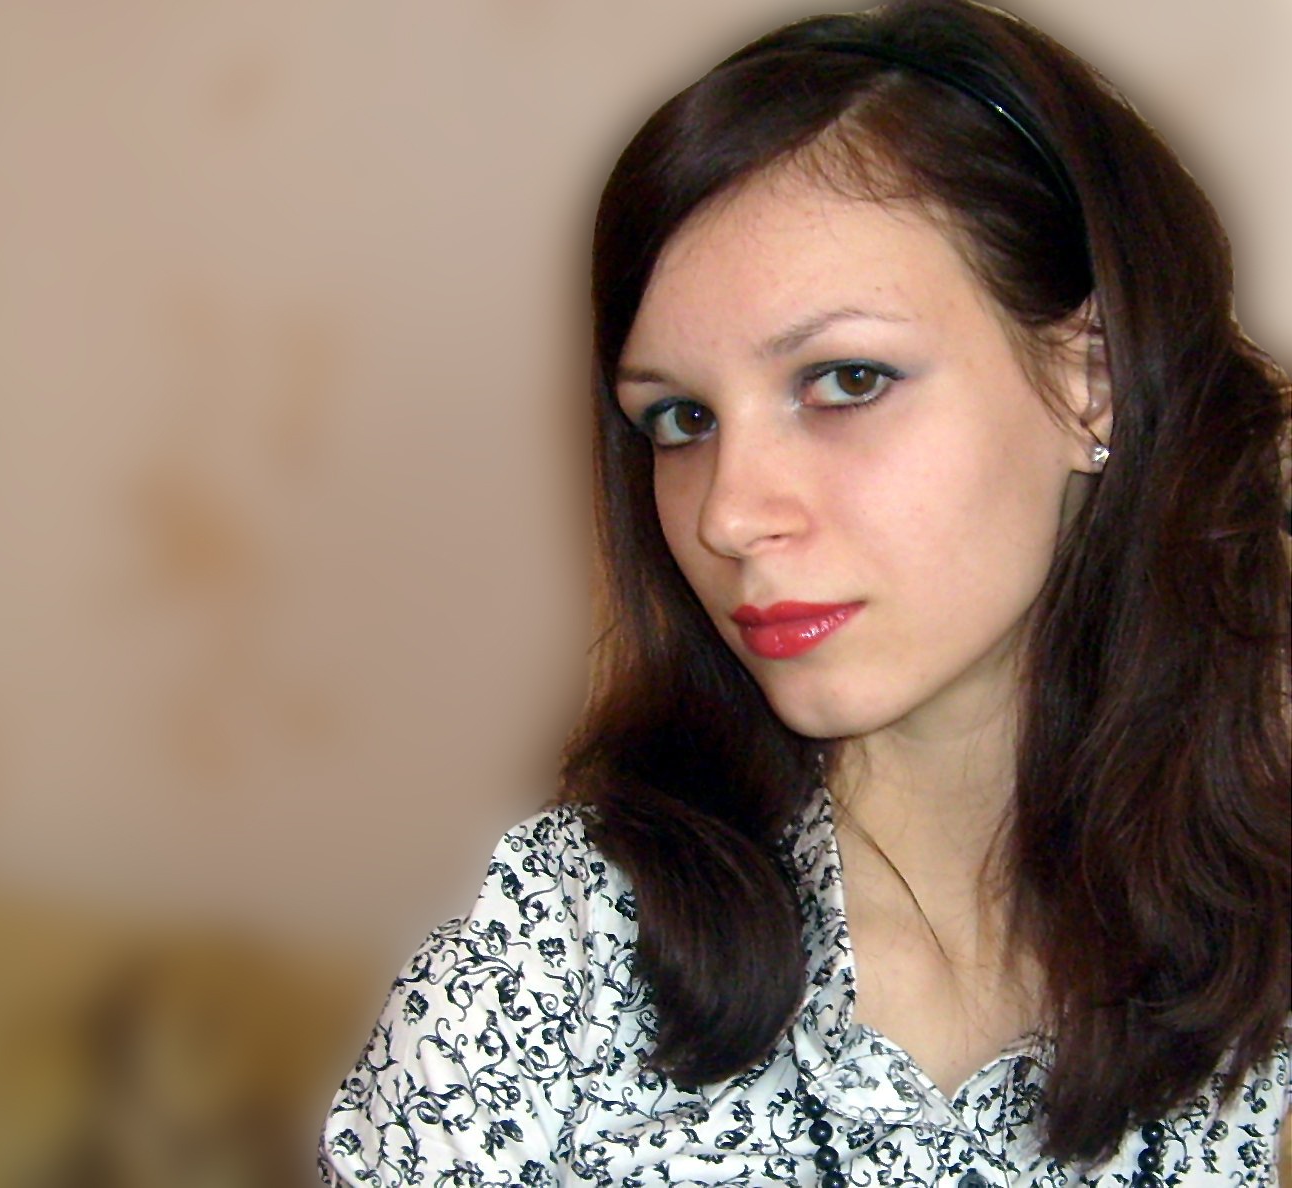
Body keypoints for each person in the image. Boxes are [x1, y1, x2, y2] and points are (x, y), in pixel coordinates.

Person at [319, 0, 1291, 1183]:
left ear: (1093, 383)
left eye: (846, 381)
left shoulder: (1251, 965)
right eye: (681, 419)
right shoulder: (559, 958)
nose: (728, 513)